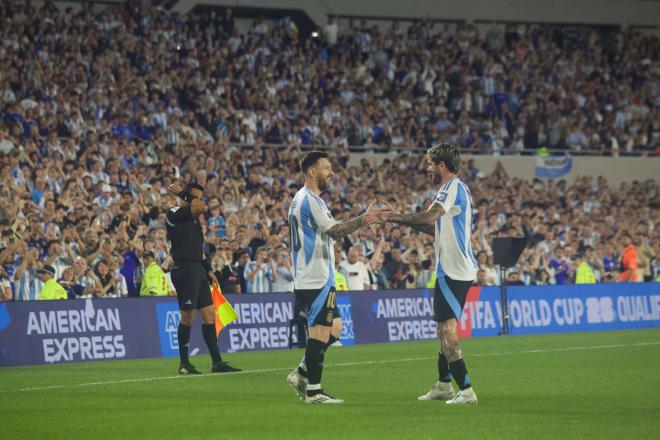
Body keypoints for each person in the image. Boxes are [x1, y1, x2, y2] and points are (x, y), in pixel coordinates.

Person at [370, 143, 479, 405]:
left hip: (453, 270)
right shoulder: (452, 190)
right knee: (443, 329)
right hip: (454, 269)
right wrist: (400, 220)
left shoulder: (451, 188)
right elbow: (436, 229)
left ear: (442, 165)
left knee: (447, 329)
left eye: (430, 163)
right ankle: (444, 385)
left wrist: (391, 218)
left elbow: (429, 219)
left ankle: (466, 390)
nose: (427, 168)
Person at [285, 151, 388, 404]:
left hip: (320, 276)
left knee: (336, 329)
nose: (331, 173)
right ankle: (314, 392)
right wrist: (365, 218)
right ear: (312, 172)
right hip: (314, 277)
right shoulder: (309, 199)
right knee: (319, 333)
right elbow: (335, 231)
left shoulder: (304, 199)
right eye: (326, 168)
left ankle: (301, 372)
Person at [166, 181, 240, 374]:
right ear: (186, 197)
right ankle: (184, 363)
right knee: (188, 317)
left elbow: (200, 252)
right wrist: (184, 193)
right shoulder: (173, 213)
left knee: (209, 316)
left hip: (198, 270)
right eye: (195, 196)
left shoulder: (195, 222)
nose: (199, 201)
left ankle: (217, 362)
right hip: (183, 269)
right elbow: (200, 206)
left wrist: (208, 270)